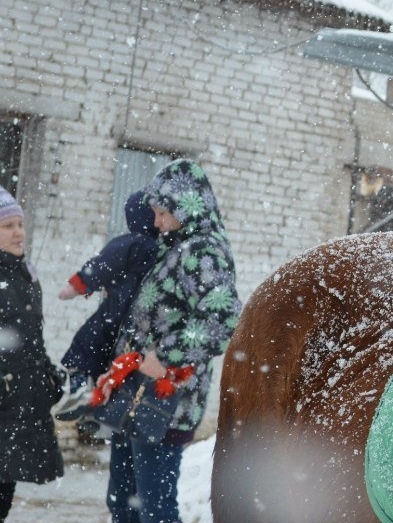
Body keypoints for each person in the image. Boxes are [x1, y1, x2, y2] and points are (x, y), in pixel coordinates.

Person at [101, 159, 240, 523]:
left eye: (163, 213)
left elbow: (222, 320)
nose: (157, 222)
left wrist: (164, 355)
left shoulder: (205, 251)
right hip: (136, 391)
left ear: (186, 207)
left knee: (154, 511)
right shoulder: (174, 245)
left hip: (166, 400)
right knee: (122, 503)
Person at [52, 190, 161, 418]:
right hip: (133, 317)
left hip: (117, 309)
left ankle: (78, 390)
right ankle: (92, 406)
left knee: (88, 340)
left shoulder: (133, 243)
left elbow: (103, 264)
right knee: (108, 357)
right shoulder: (156, 246)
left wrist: (79, 285)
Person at [0, 186, 65, 520]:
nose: (18, 232)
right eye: (7, 226)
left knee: (3, 496)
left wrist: (49, 375)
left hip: (17, 409)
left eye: (20, 224)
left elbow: (31, 342)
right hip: (5, 402)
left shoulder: (26, 276)